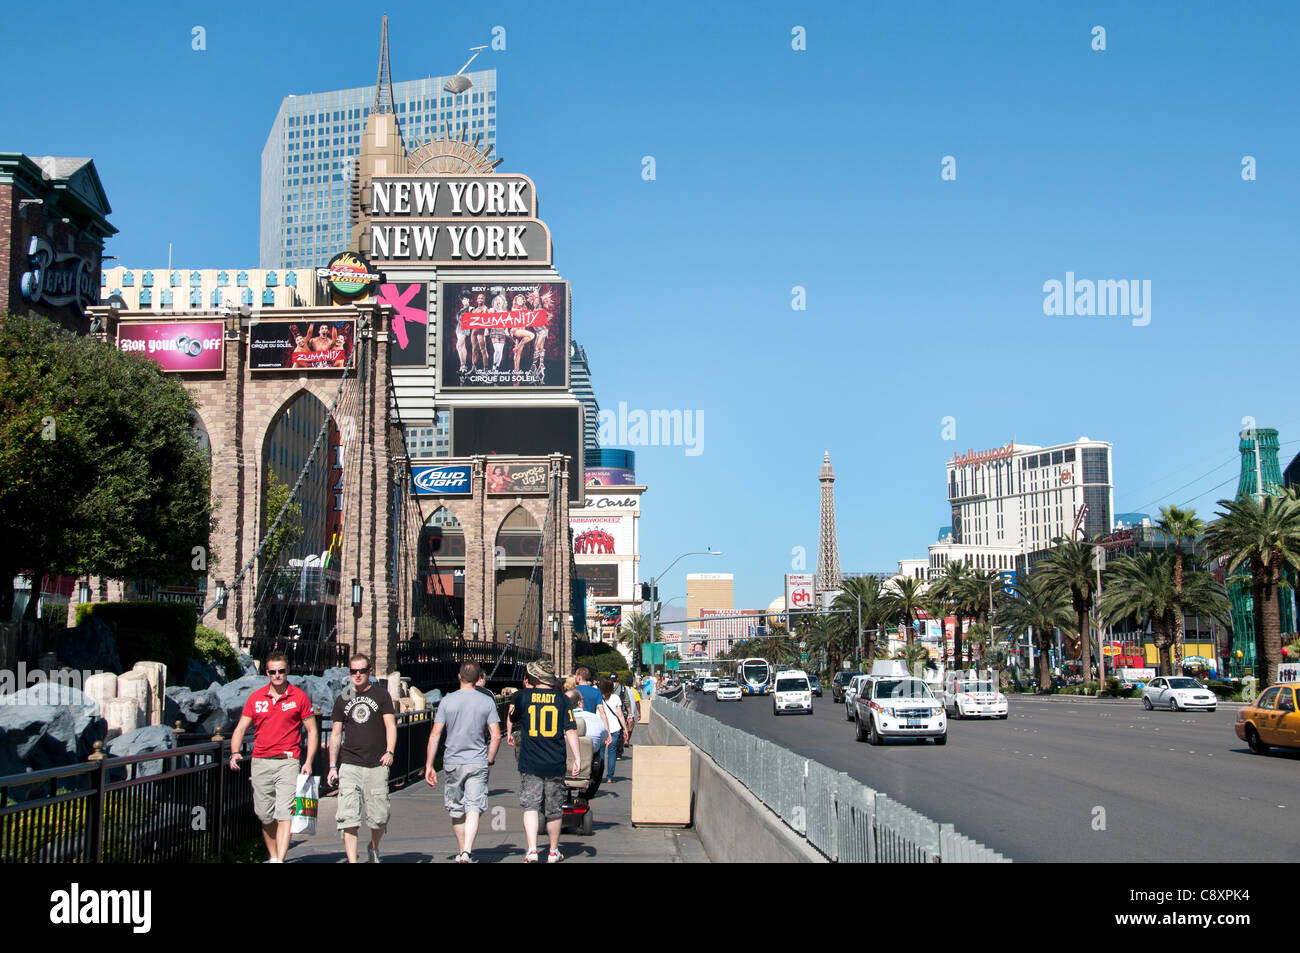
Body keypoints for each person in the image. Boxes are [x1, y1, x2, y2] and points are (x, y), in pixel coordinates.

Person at [228, 652, 318, 863]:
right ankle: (274, 855)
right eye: (273, 672)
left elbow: (312, 730)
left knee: (285, 813)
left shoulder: (299, 697)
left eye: (281, 671)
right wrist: (234, 752)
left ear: (287, 671)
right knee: (265, 815)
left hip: (288, 760)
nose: (277, 675)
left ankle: (279, 860)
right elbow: (241, 727)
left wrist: (308, 762)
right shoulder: (256, 698)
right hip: (260, 760)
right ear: (267, 673)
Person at [426, 661, 501, 863]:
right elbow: (496, 736)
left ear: (459, 677)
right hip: (477, 761)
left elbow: (435, 735)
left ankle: (462, 851)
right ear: (478, 679)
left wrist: (429, 765)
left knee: (456, 809)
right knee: (474, 807)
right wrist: (490, 758)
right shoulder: (487, 702)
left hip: (452, 761)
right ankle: (467, 850)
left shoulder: (447, 701)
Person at [507, 660, 580, 863]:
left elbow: (513, 717)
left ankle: (532, 850)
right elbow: (571, 730)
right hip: (555, 761)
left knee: (530, 806)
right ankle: (553, 851)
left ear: (535, 677)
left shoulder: (523, 697)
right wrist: (577, 758)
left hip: (530, 760)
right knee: (554, 809)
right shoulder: (562, 700)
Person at [327, 653, 396, 863]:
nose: (357, 675)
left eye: (362, 671)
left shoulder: (381, 696)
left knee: (379, 819)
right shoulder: (344, 698)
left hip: (376, 763)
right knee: (348, 818)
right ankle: (352, 860)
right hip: (350, 764)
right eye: (353, 672)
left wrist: (390, 751)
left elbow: (390, 726)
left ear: (370, 672)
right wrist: (332, 765)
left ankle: (373, 846)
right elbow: (336, 733)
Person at [598, 678, 629, 780]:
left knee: (601, 752)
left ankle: (598, 775)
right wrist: (625, 729)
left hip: (601, 728)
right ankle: (610, 777)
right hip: (615, 728)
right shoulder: (616, 698)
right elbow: (620, 715)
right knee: (612, 753)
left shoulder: (597, 697)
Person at [566, 688, 609, 754]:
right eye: (582, 700)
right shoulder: (594, 718)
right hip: (589, 757)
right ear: (579, 703)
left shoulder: (559, 719)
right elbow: (604, 736)